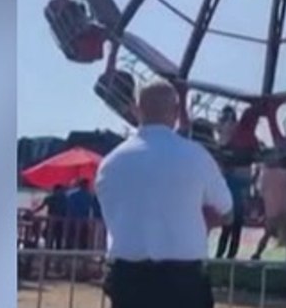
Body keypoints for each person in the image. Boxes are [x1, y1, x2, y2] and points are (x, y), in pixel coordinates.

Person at [95, 81, 233, 308]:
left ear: (136, 109)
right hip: (183, 282)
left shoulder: (109, 164)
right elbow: (227, 211)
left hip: (127, 279)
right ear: (177, 112)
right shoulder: (197, 156)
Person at [251, 154, 286, 260]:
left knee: (268, 233)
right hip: (285, 206)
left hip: (271, 208)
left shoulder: (264, 175)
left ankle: (257, 253)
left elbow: (260, 192)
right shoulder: (284, 173)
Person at [215, 157, 250, 260]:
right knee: (235, 233)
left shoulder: (222, 180)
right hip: (237, 209)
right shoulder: (236, 180)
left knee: (225, 232)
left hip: (229, 209)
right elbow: (247, 185)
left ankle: (220, 253)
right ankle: (231, 254)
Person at [65, 179, 97, 250]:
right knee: (82, 238)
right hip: (84, 219)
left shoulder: (71, 194)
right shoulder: (88, 195)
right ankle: (80, 251)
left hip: (72, 219)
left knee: (72, 237)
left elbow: (68, 207)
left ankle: (69, 250)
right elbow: (92, 208)